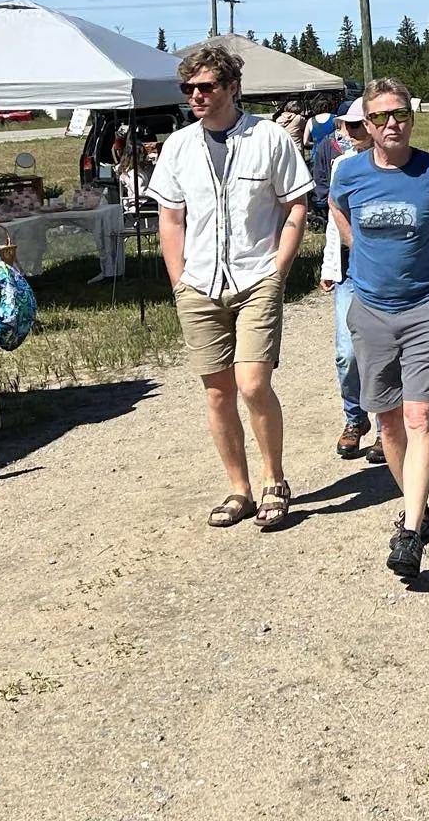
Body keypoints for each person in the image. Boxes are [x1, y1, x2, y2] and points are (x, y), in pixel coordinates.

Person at [148, 46, 312, 532]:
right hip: (198, 284)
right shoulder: (179, 146)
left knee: (252, 384)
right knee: (217, 393)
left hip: (255, 277)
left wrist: (278, 270)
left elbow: (296, 207)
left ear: (232, 87)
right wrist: (178, 280)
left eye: (206, 87)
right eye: (189, 88)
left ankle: (273, 480)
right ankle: (239, 488)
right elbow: (170, 217)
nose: (196, 96)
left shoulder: (269, 139)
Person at [330, 78, 429, 581]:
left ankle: (409, 531)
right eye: (380, 117)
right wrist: (359, 255)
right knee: (387, 422)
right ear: (366, 126)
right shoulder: (348, 173)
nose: (392, 124)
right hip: (369, 310)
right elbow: (338, 210)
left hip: (423, 310)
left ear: (411, 116)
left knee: (418, 417)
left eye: (400, 114)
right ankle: (418, 502)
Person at [319, 99, 380, 462]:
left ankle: (388, 426)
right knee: (347, 353)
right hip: (349, 271)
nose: (352, 133)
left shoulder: (399, 165)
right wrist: (329, 267)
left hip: (386, 274)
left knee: (384, 353)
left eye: (358, 126)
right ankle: (355, 417)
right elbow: (333, 220)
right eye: (348, 126)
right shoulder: (341, 166)